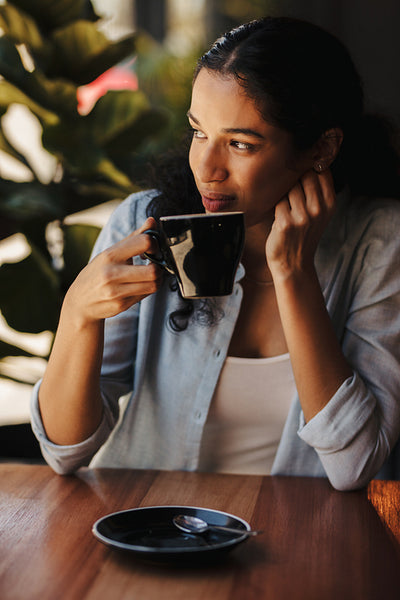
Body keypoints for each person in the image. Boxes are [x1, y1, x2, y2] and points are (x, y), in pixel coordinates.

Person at [31, 16, 400, 490]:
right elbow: (66, 451)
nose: (206, 168)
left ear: (321, 147)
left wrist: (292, 272)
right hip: (152, 526)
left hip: (303, 541)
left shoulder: (381, 242)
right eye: (198, 131)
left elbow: (354, 464)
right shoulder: (145, 223)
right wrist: (78, 315)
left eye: (240, 144)